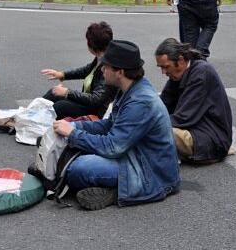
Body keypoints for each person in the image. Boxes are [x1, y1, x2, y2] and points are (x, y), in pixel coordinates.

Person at [50, 39, 180, 211]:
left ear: (120, 72)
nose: (102, 70)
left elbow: (113, 147)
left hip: (151, 173)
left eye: (105, 67)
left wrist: (73, 135)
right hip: (134, 154)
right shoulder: (129, 89)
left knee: (77, 168)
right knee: (71, 151)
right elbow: (109, 125)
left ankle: (119, 191)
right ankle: (113, 187)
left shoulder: (141, 102)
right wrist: (74, 126)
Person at [155, 38, 235, 164]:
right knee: (149, 126)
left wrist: (148, 123)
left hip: (209, 139)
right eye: (161, 67)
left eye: (166, 67)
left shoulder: (201, 72)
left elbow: (183, 117)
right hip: (195, 131)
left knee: (155, 130)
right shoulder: (178, 74)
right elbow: (161, 105)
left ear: (180, 60)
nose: (163, 72)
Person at [38, 21, 116, 119]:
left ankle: (34, 123)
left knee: (60, 107)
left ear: (91, 45)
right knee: (54, 92)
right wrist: (62, 74)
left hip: (97, 111)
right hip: (88, 102)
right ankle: (27, 117)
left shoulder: (110, 67)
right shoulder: (101, 57)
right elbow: (87, 70)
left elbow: (96, 99)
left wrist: (67, 92)